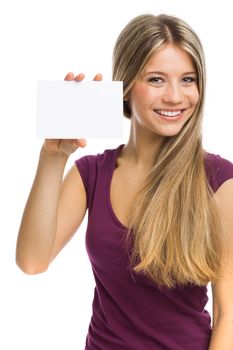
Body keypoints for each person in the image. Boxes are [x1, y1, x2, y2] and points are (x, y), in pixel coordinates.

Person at [16, 13, 233, 350]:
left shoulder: (219, 182)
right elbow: (32, 261)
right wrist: (53, 156)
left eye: (188, 79)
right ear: (126, 84)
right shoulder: (92, 174)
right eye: (157, 80)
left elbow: (228, 317)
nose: (176, 96)